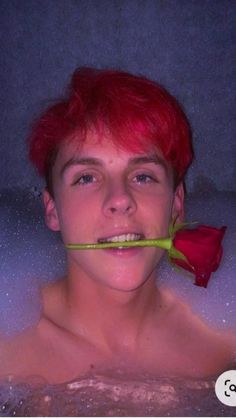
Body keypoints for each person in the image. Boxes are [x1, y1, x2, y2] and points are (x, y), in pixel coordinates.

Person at [0, 68, 235, 384]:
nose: (120, 199)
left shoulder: (224, 340)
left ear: (176, 204)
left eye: (143, 176)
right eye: (86, 177)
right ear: (52, 210)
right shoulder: (8, 355)